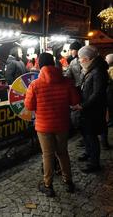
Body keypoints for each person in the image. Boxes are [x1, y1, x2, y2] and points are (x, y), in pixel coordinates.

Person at [24, 52, 80, 197]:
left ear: (40, 64)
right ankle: (69, 182)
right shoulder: (67, 81)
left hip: (43, 126)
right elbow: (74, 101)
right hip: (62, 124)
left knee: (47, 155)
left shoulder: (35, 84)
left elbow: (29, 106)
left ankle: (48, 185)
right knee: (63, 153)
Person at [73, 45, 109, 172]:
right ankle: (88, 154)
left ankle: (94, 163)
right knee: (86, 134)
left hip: (93, 110)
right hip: (88, 109)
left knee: (91, 136)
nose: (79, 60)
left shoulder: (98, 71)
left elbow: (97, 93)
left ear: (87, 58)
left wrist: (83, 105)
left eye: (80, 58)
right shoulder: (91, 69)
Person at [106, 53, 113, 128]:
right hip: (110, 90)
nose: (105, 59)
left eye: (106, 58)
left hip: (111, 90)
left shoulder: (112, 69)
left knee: (111, 105)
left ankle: (111, 120)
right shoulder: (110, 68)